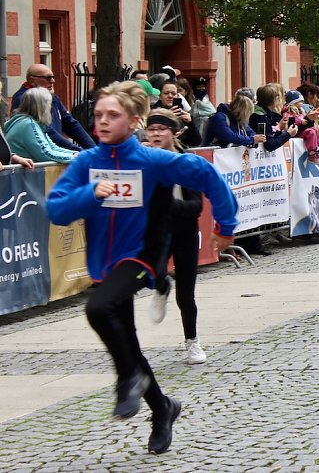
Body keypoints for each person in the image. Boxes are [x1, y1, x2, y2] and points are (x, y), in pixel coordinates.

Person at [45, 81, 238, 455]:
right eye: (98, 115)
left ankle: (127, 378)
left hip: (141, 257)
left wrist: (224, 228)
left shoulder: (153, 161)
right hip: (104, 263)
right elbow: (56, 209)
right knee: (127, 343)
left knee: (97, 308)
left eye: (112, 115)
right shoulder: (87, 163)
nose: (102, 122)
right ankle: (163, 408)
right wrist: (91, 194)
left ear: (134, 122)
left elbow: (207, 175)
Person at [144, 109, 208, 364]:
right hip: (156, 230)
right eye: (152, 130)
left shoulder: (185, 163)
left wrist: (167, 206)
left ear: (174, 132)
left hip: (184, 229)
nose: (156, 134)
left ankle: (192, 342)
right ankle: (161, 288)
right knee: (154, 273)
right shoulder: (142, 161)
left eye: (162, 129)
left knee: (186, 292)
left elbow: (197, 206)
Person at [12, 63, 96, 151]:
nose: (52, 81)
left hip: (57, 154)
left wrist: (93, 149)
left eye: (53, 77)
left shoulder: (53, 97)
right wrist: (78, 151)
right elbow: (46, 131)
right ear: (32, 80)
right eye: (48, 78)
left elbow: (70, 124)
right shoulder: (24, 99)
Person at [4, 87, 77, 163]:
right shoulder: (28, 124)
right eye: (49, 104)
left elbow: (52, 147)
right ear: (42, 107)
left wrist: (74, 153)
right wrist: (77, 158)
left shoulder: (30, 122)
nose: (51, 108)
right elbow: (46, 154)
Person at [249, 83, 297, 152]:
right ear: (274, 100)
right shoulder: (261, 116)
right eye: (278, 98)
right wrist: (288, 134)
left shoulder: (264, 113)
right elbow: (270, 145)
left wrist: (279, 126)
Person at [152, 80, 202, 147]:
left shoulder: (182, 112)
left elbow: (196, 142)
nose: (170, 96)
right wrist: (167, 117)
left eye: (173, 93)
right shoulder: (153, 113)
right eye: (166, 93)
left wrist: (190, 123)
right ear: (160, 96)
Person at [282, 91, 319, 164]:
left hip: (301, 128)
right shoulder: (288, 110)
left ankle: (315, 149)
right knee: (310, 132)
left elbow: (303, 118)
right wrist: (300, 121)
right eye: (300, 101)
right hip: (295, 130)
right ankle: (311, 153)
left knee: (315, 129)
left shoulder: (301, 110)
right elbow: (290, 120)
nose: (302, 103)